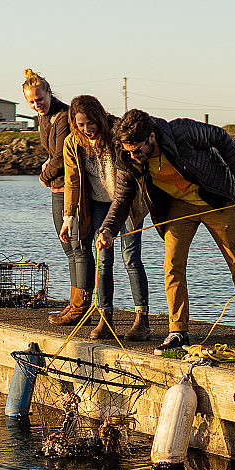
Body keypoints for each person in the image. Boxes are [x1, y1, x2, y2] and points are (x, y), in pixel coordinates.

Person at [97, 109, 235, 353]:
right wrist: (108, 230)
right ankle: (178, 332)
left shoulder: (181, 132)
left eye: (137, 150)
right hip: (178, 206)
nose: (133, 156)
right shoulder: (128, 159)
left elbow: (222, 138)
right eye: (128, 151)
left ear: (151, 137)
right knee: (172, 265)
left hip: (215, 199)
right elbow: (122, 200)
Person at [58, 95, 151, 340]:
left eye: (90, 122)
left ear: (99, 117)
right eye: (80, 124)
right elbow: (72, 181)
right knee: (103, 260)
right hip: (99, 204)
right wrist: (68, 216)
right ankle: (105, 317)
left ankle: (142, 319)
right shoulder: (72, 143)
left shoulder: (116, 132)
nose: (87, 129)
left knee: (131, 258)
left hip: (127, 203)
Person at [22, 69, 93, 325]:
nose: (36, 105)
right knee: (68, 248)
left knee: (79, 247)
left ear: (49, 93)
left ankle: (81, 307)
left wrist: (43, 176)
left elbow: (62, 156)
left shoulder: (64, 117)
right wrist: (47, 168)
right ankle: (75, 303)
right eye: (31, 102)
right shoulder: (44, 118)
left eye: (39, 99)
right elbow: (52, 153)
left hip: (72, 189)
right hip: (57, 189)